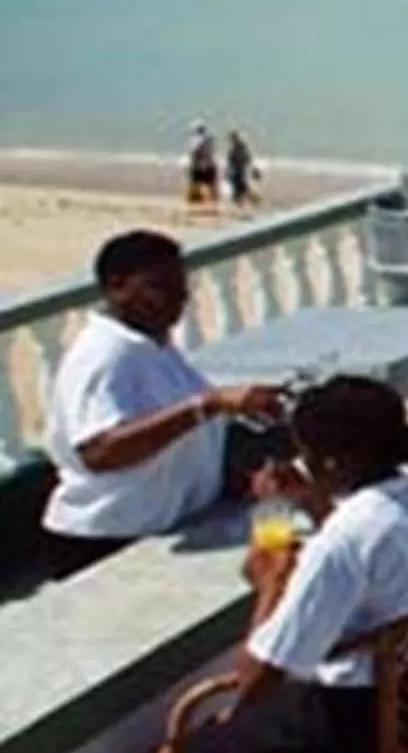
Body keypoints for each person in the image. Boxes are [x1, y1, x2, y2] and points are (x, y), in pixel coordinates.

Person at [144, 378, 408, 753]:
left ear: (334, 461)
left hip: (361, 729)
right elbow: (374, 546)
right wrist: (313, 503)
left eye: (308, 454)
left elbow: (255, 683)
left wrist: (271, 580)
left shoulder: (343, 542)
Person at [42, 232, 286, 578]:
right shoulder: (104, 354)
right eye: (160, 289)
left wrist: (240, 481)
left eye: (180, 291)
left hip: (164, 528)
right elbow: (99, 451)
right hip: (106, 539)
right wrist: (208, 405)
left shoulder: (154, 347)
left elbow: (174, 443)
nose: (176, 302)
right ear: (117, 287)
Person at [222, 128, 260, 211]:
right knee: (240, 188)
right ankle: (244, 204)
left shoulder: (237, 147)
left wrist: (252, 167)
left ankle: (244, 204)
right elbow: (246, 158)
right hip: (238, 170)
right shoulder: (238, 147)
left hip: (238, 170)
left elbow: (244, 158)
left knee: (240, 188)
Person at [182, 122, 218, 209]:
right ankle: (212, 201)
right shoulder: (209, 139)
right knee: (209, 184)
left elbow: (193, 151)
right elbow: (210, 152)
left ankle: (195, 200)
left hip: (198, 165)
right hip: (208, 164)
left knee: (195, 183)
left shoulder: (195, 140)